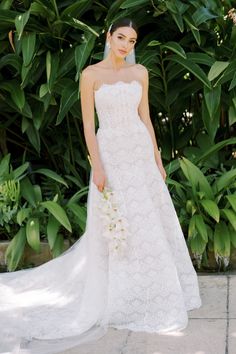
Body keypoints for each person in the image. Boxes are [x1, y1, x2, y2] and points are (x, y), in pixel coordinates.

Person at [0, 17, 202, 354]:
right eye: (120, 37)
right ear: (109, 37)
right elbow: (88, 124)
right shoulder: (91, 75)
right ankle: (121, 297)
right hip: (111, 154)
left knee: (148, 221)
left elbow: (146, 117)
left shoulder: (141, 73)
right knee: (119, 222)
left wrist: (156, 157)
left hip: (138, 152)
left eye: (132, 41)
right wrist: (97, 165)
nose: (125, 45)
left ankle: (155, 290)